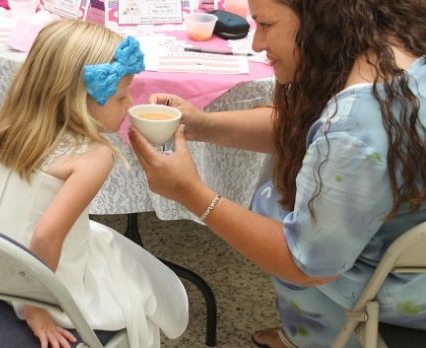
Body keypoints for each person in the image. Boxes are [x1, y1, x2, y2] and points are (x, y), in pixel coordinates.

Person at [128, 0, 426, 347]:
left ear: (321, 18)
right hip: (400, 242)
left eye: (266, 25)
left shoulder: (356, 128)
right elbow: (310, 128)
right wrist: (202, 125)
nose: (257, 44)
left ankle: (320, 336)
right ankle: (304, 330)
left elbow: (308, 265)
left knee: (274, 211)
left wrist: (191, 193)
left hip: (400, 287)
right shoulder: (394, 43)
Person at [0, 19, 188, 348]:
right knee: (139, 282)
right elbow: (45, 235)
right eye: (121, 97)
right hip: (42, 277)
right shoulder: (94, 156)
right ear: (79, 98)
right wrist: (36, 310)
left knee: (109, 247)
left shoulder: (7, 125)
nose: (128, 107)